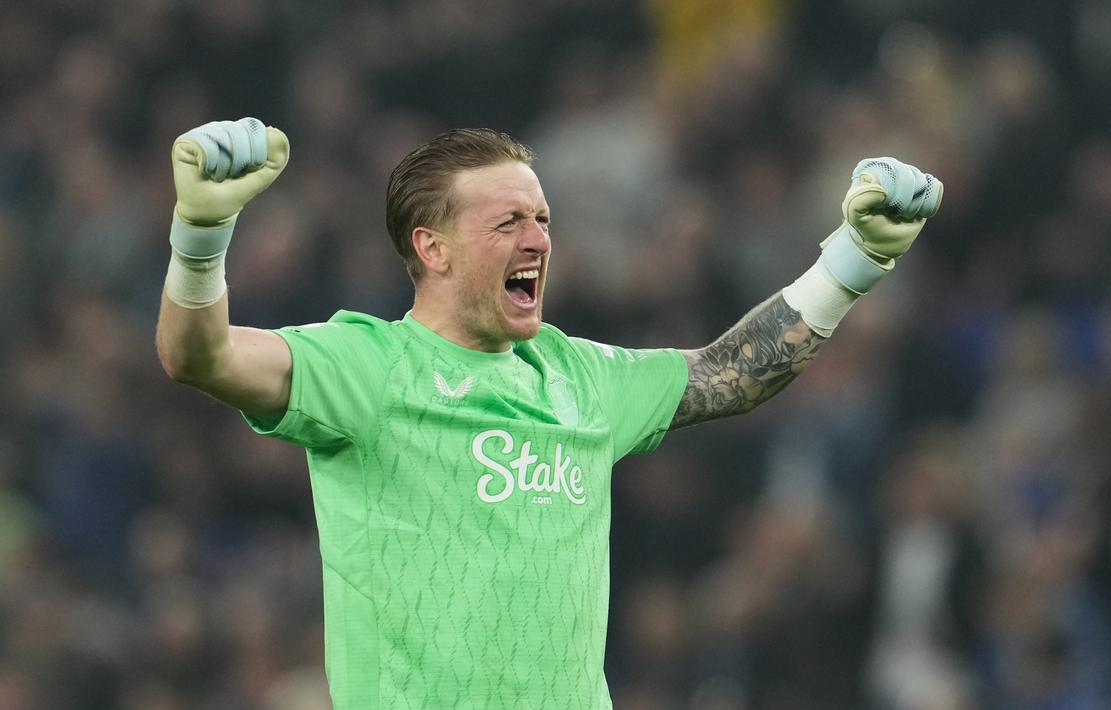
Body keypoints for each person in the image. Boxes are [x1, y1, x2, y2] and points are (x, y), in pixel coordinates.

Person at [155, 117, 941, 709]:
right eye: (508, 223)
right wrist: (202, 233)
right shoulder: (366, 366)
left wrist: (852, 260)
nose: (538, 240)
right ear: (433, 249)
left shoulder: (578, 375)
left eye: (543, 220)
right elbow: (202, 355)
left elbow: (728, 375)